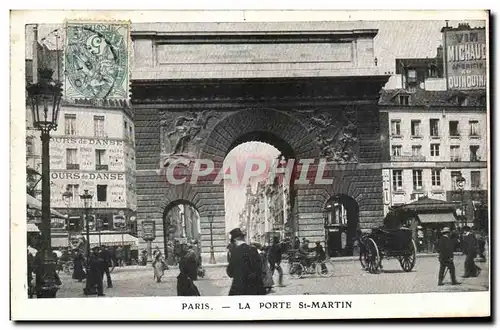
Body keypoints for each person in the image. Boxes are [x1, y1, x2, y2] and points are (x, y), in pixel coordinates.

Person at [226, 228, 265, 295]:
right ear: (243, 238)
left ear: (235, 240)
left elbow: (230, 272)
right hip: (255, 288)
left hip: (239, 289)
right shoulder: (253, 249)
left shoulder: (235, 252)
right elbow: (259, 268)